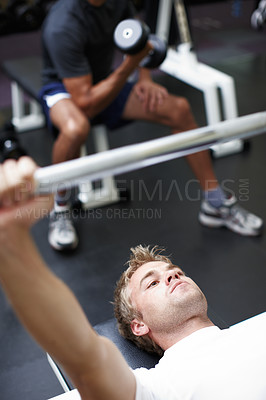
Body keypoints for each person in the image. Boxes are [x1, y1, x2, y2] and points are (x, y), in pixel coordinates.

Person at [0, 157, 265, 400]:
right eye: (152, 282)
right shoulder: (156, 388)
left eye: (176, 272)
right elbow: (82, 355)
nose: (172, 274)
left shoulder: (257, 329)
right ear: (139, 325)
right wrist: (9, 238)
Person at [38, 0, 263, 251]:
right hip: (66, 91)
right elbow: (85, 103)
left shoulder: (116, 3)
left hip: (106, 82)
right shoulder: (63, 24)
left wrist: (144, 76)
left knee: (178, 110)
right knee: (75, 128)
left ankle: (214, 202)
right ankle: (59, 207)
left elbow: (138, 36)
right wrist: (131, 66)